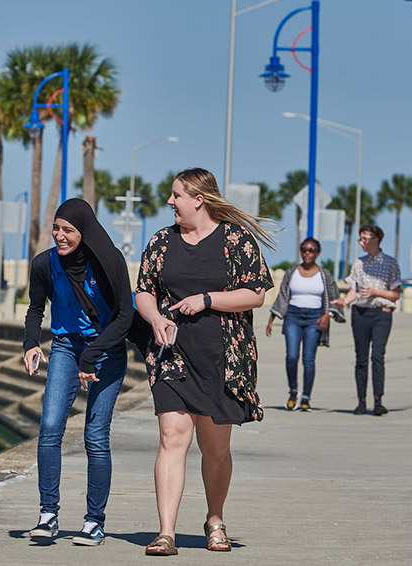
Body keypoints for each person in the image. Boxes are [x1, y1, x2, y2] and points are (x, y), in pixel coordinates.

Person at [134, 168, 273, 556]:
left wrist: (207, 299)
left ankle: (215, 519)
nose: (169, 202)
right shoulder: (162, 241)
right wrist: (155, 318)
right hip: (172, 356)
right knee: (172, 439)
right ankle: (166, 532)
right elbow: (144, 291)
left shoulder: (235, 240)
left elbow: (256, 294)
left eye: (176, 195)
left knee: (214, 449)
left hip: (222, 358)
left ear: (198, 199)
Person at [21, 198, 134, 547]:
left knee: (95, 436)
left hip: (108, 350)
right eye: (56, 228)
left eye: (68, 230)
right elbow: (35, 308)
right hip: (66, 348)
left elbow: (125, 317)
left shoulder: (109, 261)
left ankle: (93, 521)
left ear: (84, 232)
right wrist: (30, 343)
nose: (60, 235)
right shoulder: (44, 264)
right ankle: (48, 514)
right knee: (51, 426)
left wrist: (94, 355)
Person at [330, 224, 401, 417]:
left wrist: (377, 292)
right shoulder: (359, 263)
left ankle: (378, 400)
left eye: (365, 238)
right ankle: (361, 401)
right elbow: (355, 289)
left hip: (381, 313)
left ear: (376, 239)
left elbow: (395, 294)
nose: (362, 242)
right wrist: (344, 301)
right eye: (360, 238)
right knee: (360, 358)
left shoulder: (390, 263)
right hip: (360, 313)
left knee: (377, 356)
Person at [266, 237, 343, 412]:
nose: (308, 253)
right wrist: (272, 319)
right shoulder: (292, 272)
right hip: (293, 316)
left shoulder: (325, 275)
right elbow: (283, 296)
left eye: (312, 250)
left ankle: (306, 397)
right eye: (305, 250)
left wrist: (327, 316)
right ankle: (293, 392)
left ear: (318, 253)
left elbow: (334, 297)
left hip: (314, 318)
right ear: (301, 251)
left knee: (309, 360)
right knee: (292, 356)